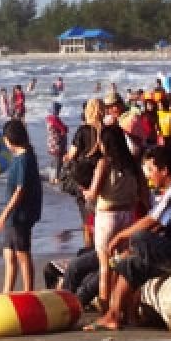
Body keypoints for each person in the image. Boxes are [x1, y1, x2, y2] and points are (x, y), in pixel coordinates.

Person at [87, 146, 171, 331]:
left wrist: (121, 235)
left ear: (164, 170)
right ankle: (113, 315)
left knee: (138, 238)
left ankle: (123, 310)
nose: (148, 176)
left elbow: (153, 221)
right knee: (132, 264)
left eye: (151, 170)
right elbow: (158, 225)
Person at [83, 125, 147, 310]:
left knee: (105, 264)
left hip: (107, 217)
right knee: (123, 263)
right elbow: (143, 191)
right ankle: (122, 304)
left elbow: (94, 193)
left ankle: (105, 305)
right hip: (127, 215)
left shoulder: (105, 163)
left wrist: (85, 192)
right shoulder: (133, 163)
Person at [0, 120, 42, 293]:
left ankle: (29, 291)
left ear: (10, 139)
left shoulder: (25, 159)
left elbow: (20, 190)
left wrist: (4, 214)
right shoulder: (20, 157)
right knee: (9, 253)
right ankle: (7, 292)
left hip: (20, 215)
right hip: (14, 215)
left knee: (22, 253)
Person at [63, 98, 104, 247]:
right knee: (101, 215)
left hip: (85, 178)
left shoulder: (83, 131)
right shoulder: (107, 130)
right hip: (103, 177)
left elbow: (72, 154)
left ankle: (89, 249)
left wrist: (66, 158)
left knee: (87, 220)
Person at [45, 102, 69, 184]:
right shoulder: (55, 119)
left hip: (51, 141)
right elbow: (64, 129)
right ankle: (56, 178)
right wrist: (64, 129)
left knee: (54, 160)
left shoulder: (49, 118)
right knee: (58, 160)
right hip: (57, 142)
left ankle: (52, 176)